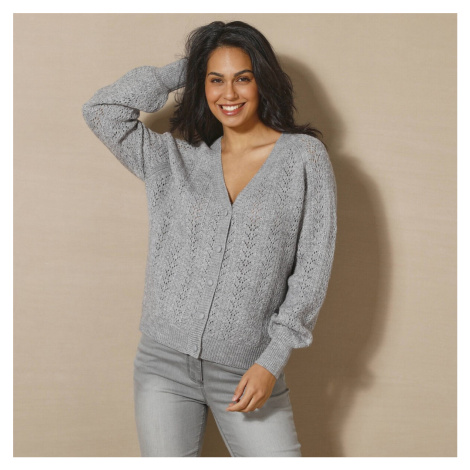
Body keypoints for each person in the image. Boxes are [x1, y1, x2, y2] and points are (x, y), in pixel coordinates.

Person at [82, 20, 337, 457]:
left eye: (243, 78)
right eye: (215, 80)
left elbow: (312, 268)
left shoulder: (303, 158)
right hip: (162, 363)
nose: (229, 93)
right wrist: (187, 67)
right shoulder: (176, 161)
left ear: (263, 81)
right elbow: (101, 111)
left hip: (246, 366)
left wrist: (271, 361)